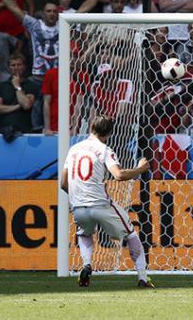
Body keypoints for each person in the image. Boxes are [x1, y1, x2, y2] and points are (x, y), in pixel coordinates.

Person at [61, 115, 154, 288]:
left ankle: (87, 265)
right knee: (131, 234)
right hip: (100, 204)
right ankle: (143, 278)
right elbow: (119, 175)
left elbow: (63, 183)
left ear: (90, 127)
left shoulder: (73, 149)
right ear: (110, 133)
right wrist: (140, 169)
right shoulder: (104, 150)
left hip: (78, 206)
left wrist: (79, 196)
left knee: (84, 233)